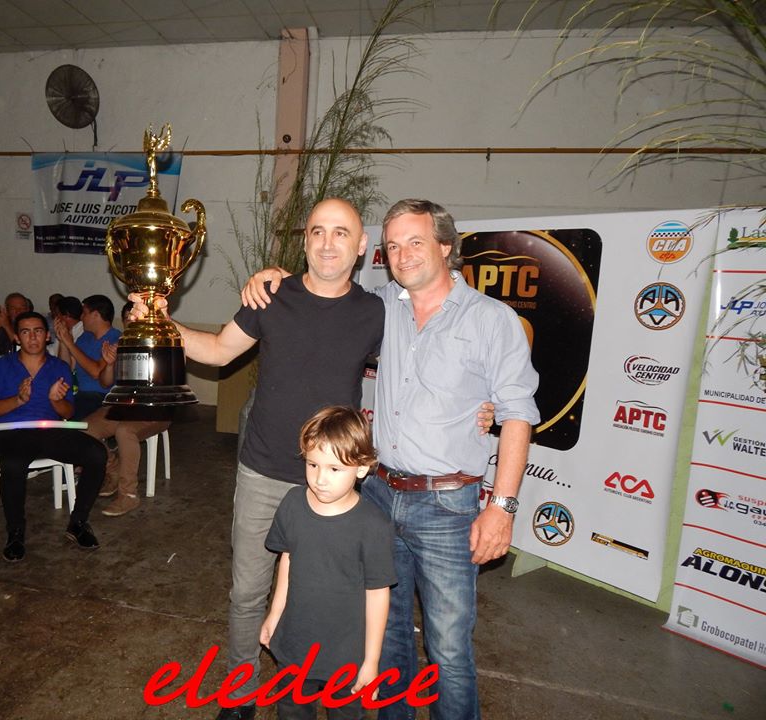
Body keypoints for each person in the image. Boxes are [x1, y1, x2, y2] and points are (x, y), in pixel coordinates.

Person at [133, 198, 489, 720]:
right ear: (304, 241)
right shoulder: (271, 296)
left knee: (336, 596)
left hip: (337, 483)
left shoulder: (377, 311)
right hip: (263, 471)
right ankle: (240, 692)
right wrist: (160, 322)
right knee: (248, 593)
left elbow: (424, 361)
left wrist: (480, 404)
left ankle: (330, 684)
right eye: (318, 231)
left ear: (362, 246)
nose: (327, 243)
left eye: (341, 232)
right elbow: (216, 351)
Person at [244, 199, 539, 720]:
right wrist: (274, 277)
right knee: (389, 635)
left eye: (416, 242)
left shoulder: (492, 320)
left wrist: (503, 507)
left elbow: (518, 414)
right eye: (394, 246)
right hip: (379, 494)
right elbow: (325, 286)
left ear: (446, 247)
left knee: (449, 649)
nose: (403, 255)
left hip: (448, 505)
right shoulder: (382, 307)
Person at [261, 406, 396, 720]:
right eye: (313, 464)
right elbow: (287, 559)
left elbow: (378, 593)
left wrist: (371, 661)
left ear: (361, 468)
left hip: (346, 655)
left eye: (335, 469)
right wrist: (274, 614)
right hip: (295, 645)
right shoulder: (292, 504)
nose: (320, 479)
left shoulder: (373, 525)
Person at [0, 311, 106, 561]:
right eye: (25, 332)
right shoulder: (0, 366)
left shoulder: (59, 367)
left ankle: (78, 522)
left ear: (47, 335)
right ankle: (15, 532)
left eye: (38, 331)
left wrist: (55, 401)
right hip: (13, 432)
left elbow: (68, 412)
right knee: (13, 465)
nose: (32, 337)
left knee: (97, 453)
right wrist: (18, 400)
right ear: (17, 337)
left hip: (51, 431)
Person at [86, 333, 170, 516]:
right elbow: (105, 382)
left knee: (125, 431)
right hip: (123, 406)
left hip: (156, 409)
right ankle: (112, 469)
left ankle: (128, 494)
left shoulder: (166, 346)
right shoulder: (123, 346)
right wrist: (110, 364)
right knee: (85, 427)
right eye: (129, 322)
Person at [55, 294, 120, 420]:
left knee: (76, 410)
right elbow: (66, 367)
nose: (81, 318)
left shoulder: (116, 339)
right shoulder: (85, 337)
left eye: (84, 313)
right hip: (79, 394)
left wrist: (70, 343)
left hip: (102, 396)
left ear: (95, 315)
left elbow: (96, 372)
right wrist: (63, 340)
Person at [0, 292, 31, 359]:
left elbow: (22, 349)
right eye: (13, 308)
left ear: (28, 310)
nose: (18, 311)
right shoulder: (1, 328)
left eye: (22, 308)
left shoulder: (34, 327)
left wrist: (6, 326)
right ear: (7, 311)